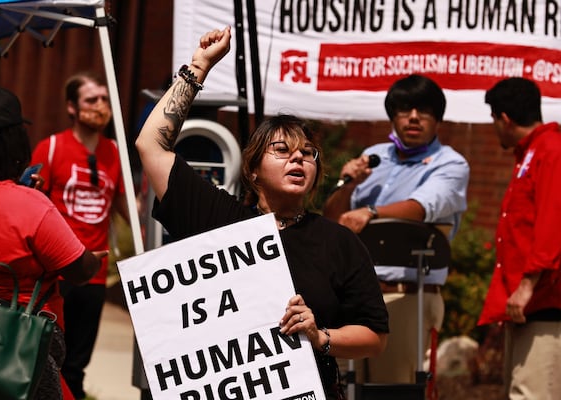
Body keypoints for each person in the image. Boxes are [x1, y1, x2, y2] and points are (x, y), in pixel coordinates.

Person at [135, 26, 388, 399]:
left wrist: (321, 337)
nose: (299, 158)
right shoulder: (217, 220)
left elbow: (374, 337)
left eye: (308, 153)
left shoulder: (338, 242)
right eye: (283, 150)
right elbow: (150, 145)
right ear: (252, 170)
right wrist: (199, 67)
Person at [323, 74, 470, 384]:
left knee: (393, 391)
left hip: (406, 297)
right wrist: (347, 183)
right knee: (344, 389)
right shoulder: (374, 156)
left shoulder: (451, 164)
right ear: (393, 117)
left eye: (424, 111)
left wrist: (371, 211)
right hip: (355, 295)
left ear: (437, 119)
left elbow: (421, 208)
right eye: (404, 110)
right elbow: (334, 221)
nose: (414, 117)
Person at [0, 85, 105, 399]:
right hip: (20, 357)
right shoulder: (31, 206)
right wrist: (95, 257)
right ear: (15, 141)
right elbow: (79, 270)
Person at [30, 72, 129, 400]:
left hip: (95, 275)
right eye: (91, 100)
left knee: (76, 365)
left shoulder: (114, 153)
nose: (100, 106)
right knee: (44, 360)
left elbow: (124, 206)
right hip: (56, 273)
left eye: (103, 99)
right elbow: (31, 206)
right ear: (72, 108)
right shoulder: (52, 147)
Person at [478, 77, 561, 400]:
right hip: (526, 304)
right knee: (520, 392)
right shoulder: (532, 153)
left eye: (493, 120)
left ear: (504, 118)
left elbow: (553, 222)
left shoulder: (551, 150)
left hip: (544, 301)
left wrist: (527, 285)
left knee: (532, 395)